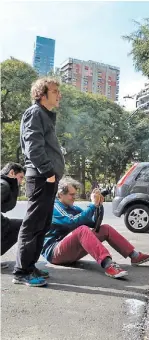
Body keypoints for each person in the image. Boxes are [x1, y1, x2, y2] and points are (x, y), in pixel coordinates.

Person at [41, 177, 149, 279]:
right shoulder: (54, 206)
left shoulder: (72, 208)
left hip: (69, 250)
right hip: (54, 252)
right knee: (82, 230)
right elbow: (72, 222)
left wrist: (98, 206)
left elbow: (94, 223)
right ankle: (108, 265)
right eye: (72, 195)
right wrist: (92, 205)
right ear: (61, 194)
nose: (74, 197)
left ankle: (134, 256)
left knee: (105, 228)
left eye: (75, 194)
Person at [13, 77, 65, 287]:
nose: (58, 95)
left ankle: (30, 266)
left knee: (43, 224)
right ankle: (21, 271)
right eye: (54, 91)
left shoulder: (45, 115)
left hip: (48, 178)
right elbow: (33, 146)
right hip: (42, 177)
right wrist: (48, 172)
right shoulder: (35, 113)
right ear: (41, 95)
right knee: (33, 225)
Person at [1, 163, 26, 269]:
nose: (21, 182)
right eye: (20, 177)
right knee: (24, 226)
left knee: (22, 225)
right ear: (12, 172)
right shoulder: (3, 185)